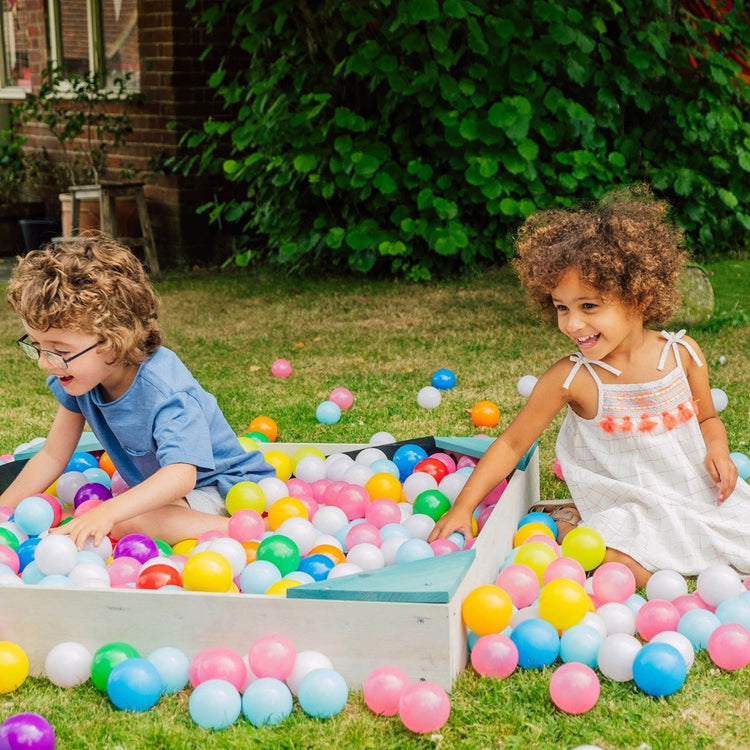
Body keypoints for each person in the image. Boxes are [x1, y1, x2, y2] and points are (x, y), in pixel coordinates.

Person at [429, 186, 750, 587]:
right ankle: (566, 523)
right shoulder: (573, 379)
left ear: (639, 295)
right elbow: (512, 444)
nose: (572, 324)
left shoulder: (682, 353)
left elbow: (707, 418)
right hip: (625, 500)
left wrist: (718, 448)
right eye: (562, 307)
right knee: (626, 566)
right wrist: (463, 507)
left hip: (688, 489)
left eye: (589, 306)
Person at [2, 235, 274, 548]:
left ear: (114, 341)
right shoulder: (79, 378)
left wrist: (109, 511)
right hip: (170, 495)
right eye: (37, 346)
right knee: (75, 514)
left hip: (228, 489)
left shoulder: (166, 392)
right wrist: (4, 511)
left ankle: (248, 532)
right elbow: (52, 455)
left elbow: (181, 475)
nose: (44, 363)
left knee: (125, 521)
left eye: (58, 351)